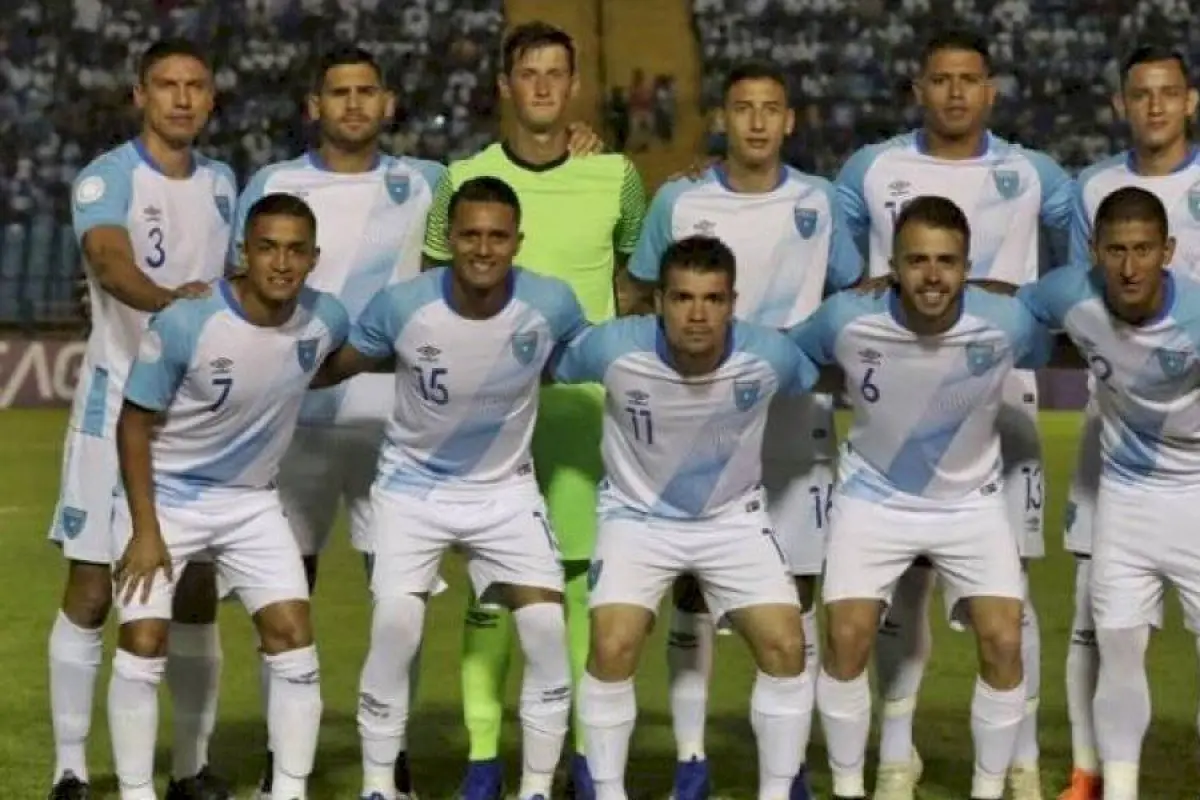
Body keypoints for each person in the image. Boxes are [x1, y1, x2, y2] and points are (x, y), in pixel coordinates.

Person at [834, 28, 1074, 799]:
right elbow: (849, 275)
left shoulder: (1035, 174)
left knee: (1011, 594)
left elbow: (1065, 278)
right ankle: (896, 755)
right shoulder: (872, 169)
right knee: (897, 593)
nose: (956, 92)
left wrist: (1015, 305)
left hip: (1001, 399)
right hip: (902, 389)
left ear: (991, 89)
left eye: (970, 78)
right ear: (918, 88)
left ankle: (1022, 759)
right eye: (940, 79)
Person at [422, 21, 647, 798]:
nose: (544, 87)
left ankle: (585, 759)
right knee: (493, 590)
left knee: (580, 586)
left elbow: (632, 287)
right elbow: (434, 295)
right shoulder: (462, 179)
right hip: (489, 420)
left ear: (575, 86)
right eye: (530, 73)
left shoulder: (616, 175)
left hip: (582, 415)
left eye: (557, 73)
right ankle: (485, 760)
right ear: (506, 86)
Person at [626, 60, 861, 798]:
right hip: (697, 423)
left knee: (796, 595)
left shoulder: (821, 202)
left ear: (790, 120)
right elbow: (637, 293)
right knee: (693, 592)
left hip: (794, 423)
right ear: (722, 119)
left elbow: (848, 296)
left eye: (772, 108)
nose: (757, 122)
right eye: (742, 109)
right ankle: (691, 759)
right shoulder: (680, 199)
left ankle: (786, 770)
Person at [317, 176, 586, 800]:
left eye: (497, 236)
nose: (483, 249)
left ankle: (538, 788)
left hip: (506, 493)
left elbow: (599, 352)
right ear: (451, 239)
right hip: (412, 492)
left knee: (546, 627)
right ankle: (381, 786)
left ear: (519, 241)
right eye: (470, 234)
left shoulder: (552, 303)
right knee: (397, 625)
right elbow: (335, 366)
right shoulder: (403, 305)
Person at [232, 44, 445, 800]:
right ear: (313, 106)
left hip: (398, 431)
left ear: (388, 104)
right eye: (338, 92)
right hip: (290, 428)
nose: (354, 104)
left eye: (367, 92)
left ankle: (389, 767)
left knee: (399, 598)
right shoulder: (275, 185)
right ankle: (279, 760)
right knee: (283, 597)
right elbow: (246, 297)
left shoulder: (429, 184)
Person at [792, 196, 1053, 800]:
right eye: (917, 261)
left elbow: (1056, 330)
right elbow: (796, 355)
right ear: (892, 264)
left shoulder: (1006, 322)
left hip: (971, 501)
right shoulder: (846, 318)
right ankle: (853, 787)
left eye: (946, 261)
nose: (932, 276)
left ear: (968, 266)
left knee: (1004, 637)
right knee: (847, 636)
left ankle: (991, 788)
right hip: (872, 497)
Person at [553, 235, 820, 800]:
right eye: (682, 298)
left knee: (786, 647)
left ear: (732, 302)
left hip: (732, 521)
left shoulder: (769, 356)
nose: (697, 313)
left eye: (712, 299)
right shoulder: (611, 350)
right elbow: (549, 361)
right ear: (658, 303)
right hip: (636, 519)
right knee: (612, 645)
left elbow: (813, 373)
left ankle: (777, 793)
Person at [109, 192, 346, 800]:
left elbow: (315, 364)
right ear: (245, 253)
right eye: (268, 247)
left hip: (250, 502)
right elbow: (133, 422)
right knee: (144, 640)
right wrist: (145, 529)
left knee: (293, 634)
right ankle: (138, 793)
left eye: (296, 250)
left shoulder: (326, 321)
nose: (282, 263)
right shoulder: (188, 321)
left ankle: (287, 791)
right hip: (165, 497)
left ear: (314, 258)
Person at [47, 38, 237, 800]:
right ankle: (69, 767)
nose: (182, 98)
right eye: (167, 85)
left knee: (193, 591)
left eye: (195, 86)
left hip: (197, 420)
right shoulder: (108, 178)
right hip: (116, 405)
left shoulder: (226, 184)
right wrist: (174, 303)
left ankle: (190, 767)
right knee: (93, 587)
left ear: (212, 98)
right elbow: (109, 261)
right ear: (140, 96)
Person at [1020, 186, 1200, 800]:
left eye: (1144, 250)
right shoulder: (1070, 294)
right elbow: (1008, 305)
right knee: (1118, 649)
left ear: (1168, 251)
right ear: (1095, 251)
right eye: (1116, 251)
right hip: (1123, 498)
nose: (1129, 267)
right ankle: (1117, 791)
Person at [1058, 44, 1200, 800]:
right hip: (1116, 430)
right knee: (1098, 611)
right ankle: (1097, 774)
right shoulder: (1092, 188)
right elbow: (1058, 296)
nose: (1154, 107)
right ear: (1122, 104)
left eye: (1168, 93)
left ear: (1190, 100)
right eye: (1140, 94)